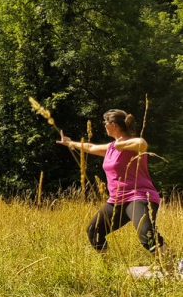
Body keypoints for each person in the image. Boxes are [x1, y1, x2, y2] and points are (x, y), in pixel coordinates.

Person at [58, 109, 169, 261]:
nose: (104, 125)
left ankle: (172, 268)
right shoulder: (111, 147)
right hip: (117, 201)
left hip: (139, 196)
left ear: (114, 125)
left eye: (105, 123)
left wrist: (121, 146)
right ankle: (109, 266)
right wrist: (69, 143)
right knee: (94, 230)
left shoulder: (129, 144)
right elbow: (90, 148)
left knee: (147, 236)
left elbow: (142, 143)